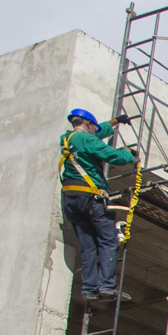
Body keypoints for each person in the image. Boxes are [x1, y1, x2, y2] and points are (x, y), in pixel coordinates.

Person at [59, 108, 138, 301]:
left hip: (70, 199)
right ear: (87, 124)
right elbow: (114, 156)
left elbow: (95, 134)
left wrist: (113, 122)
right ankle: (107, 287)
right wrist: (129, 153)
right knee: (108, 241)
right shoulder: (88, 140)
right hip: (90, 198)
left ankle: (89, 289)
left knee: (88, 245)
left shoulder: (67, 139)